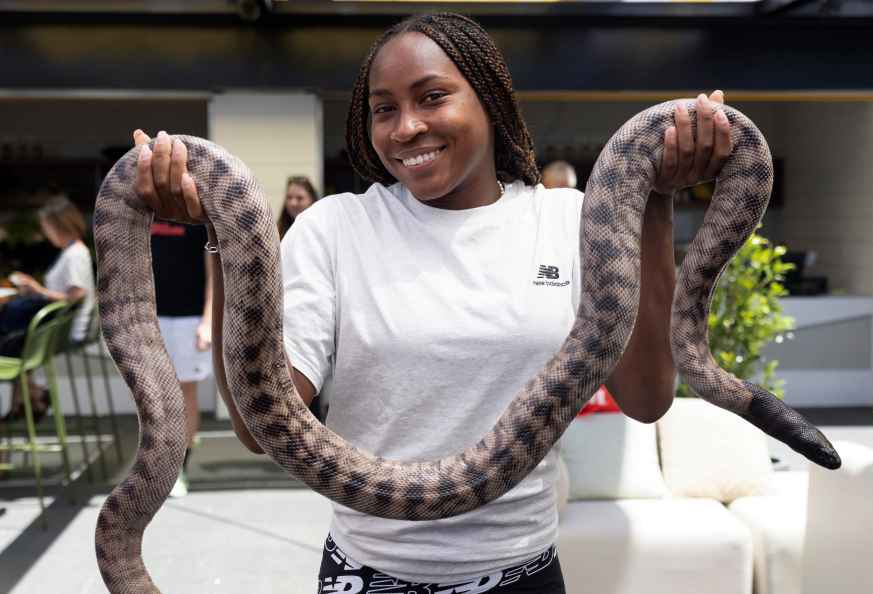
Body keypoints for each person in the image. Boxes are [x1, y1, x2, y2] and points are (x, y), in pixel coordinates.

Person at [131, 12, 731, 593]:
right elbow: (262, 427)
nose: (406, 127)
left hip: (521, 573)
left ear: (490, 102)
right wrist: (221, 234)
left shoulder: (568, 221)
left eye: (432, 97)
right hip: (368, 576)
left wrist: (653, 202)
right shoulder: (335, 228)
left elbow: (647, 398)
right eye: (384, 109)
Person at [1, 195, 94, 422]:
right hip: (57, 327)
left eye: (46, 228)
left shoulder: (75, 255)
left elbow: (75, 297)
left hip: (64, 331)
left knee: (9, 339)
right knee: (13, 337)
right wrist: (34, 290)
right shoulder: (72, 253)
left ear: (58, 225)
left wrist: (37, 289)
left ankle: (31, 397)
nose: (45, 233)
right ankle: (28, 399)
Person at [149, 217, 214, 497]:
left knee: (185, 391)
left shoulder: (197, 218)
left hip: (189, 319)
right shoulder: (145, 212)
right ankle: (157, 465)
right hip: (152, 318)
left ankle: (180, 469)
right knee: (155, 395)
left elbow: (213, 276)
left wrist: (208, 321)